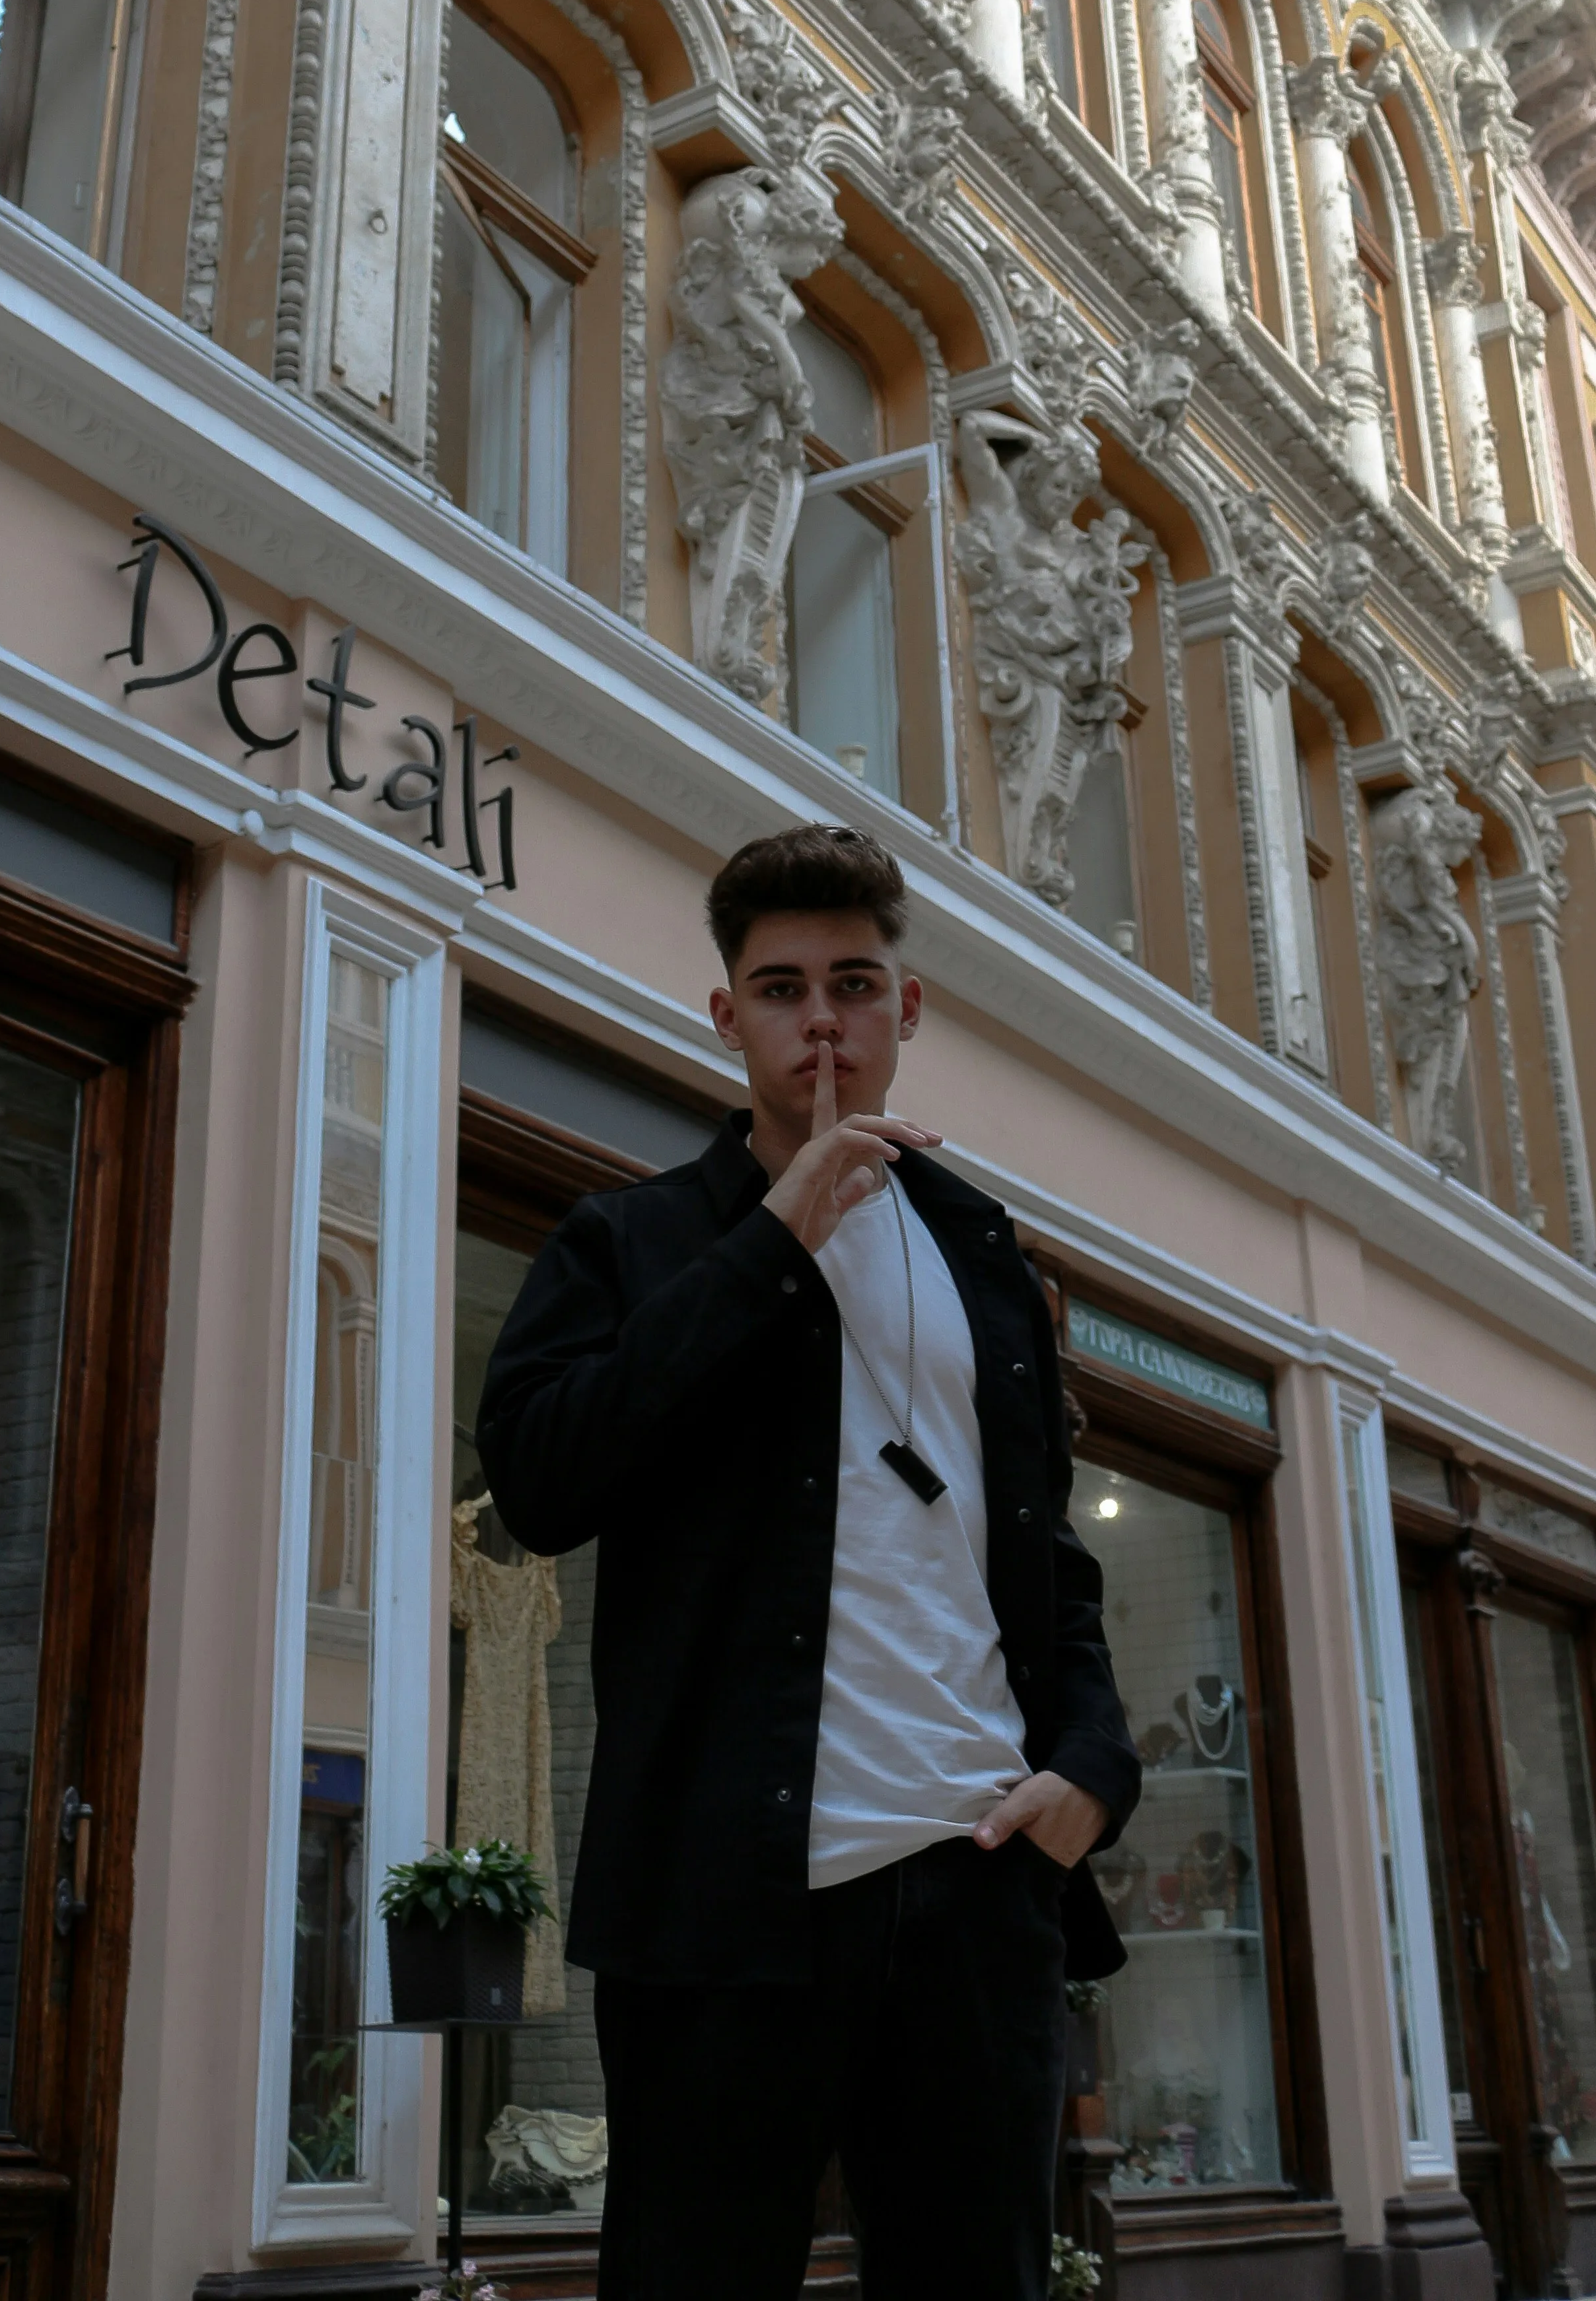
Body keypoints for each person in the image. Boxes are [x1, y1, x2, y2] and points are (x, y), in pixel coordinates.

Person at [479, 821, 1139, 2301]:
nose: (821, 1020)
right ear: (728, 1017)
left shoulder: (985, 1257)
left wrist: (1093, 1767)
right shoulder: (631, 1243)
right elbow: (541, 1479)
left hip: (980, 1881)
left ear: (906, 1010)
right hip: (729, 1898)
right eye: (781, 988)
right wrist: (772, 1240)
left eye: (854, 982)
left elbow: (1040, 1558)